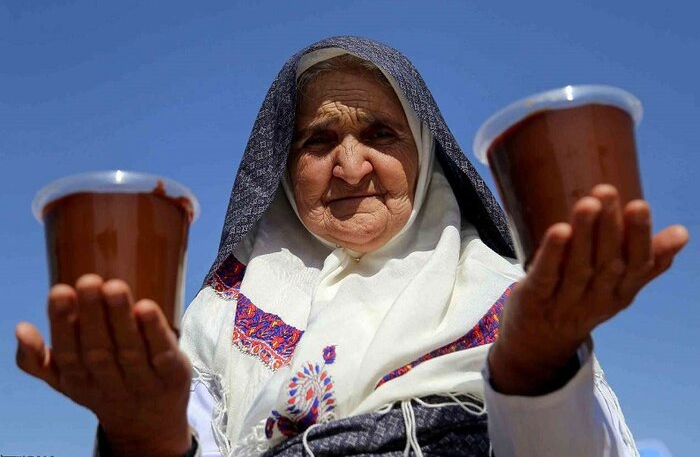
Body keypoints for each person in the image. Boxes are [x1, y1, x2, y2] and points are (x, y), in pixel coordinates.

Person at [15, 37, 688, 457]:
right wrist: (146, 436)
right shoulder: (220, 319)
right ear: (281, 168)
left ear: (425, 154)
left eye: (381, 134)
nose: (350, 165)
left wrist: (538, 368)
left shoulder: (514, 295)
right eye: (317, 141)